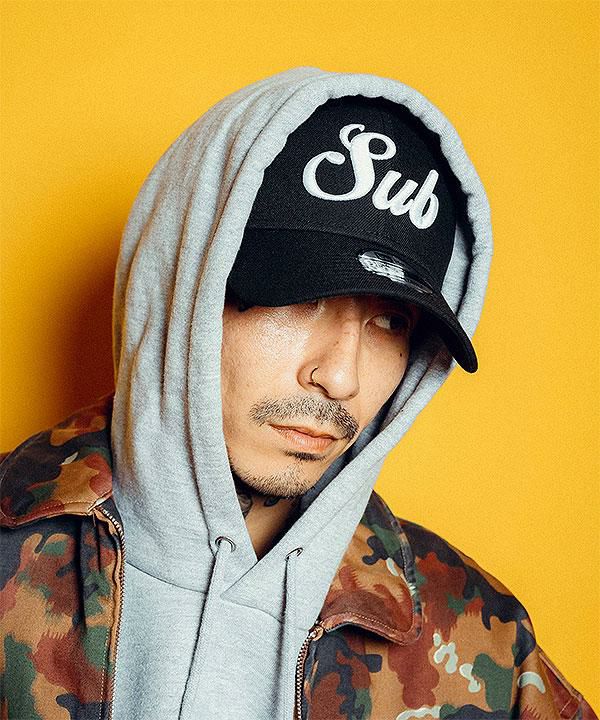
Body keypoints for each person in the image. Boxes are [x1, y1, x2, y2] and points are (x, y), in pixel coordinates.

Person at [0, 67, 596, 720]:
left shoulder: (482, 643)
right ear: (181, 286)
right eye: (298, 297)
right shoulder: (11, 558)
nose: (341, 378)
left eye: (390, 322)